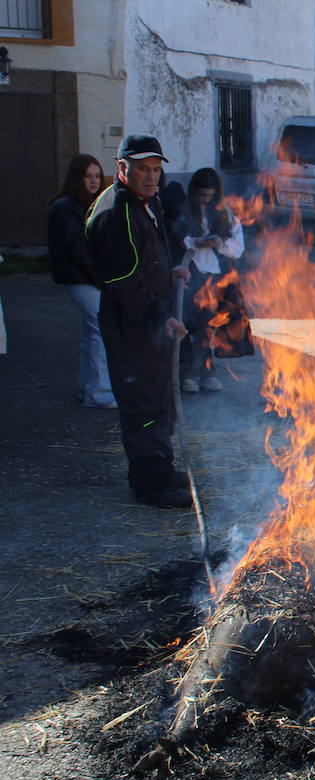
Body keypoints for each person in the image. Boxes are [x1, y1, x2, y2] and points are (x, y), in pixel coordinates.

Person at [85, 134, 192, 508]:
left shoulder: (147, 203)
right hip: (131, 326)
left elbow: (153, 253)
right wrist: (158, 318)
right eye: (142, 169)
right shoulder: (116, 212)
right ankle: (150, 484)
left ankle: (161, 466)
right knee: (143, 402)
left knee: (160, 395)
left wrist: (173, 266)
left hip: (150, 323)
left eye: (155, 169)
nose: (150, 176)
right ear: (122, 169)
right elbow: (122, 282)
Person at [48, 154, 115, 409]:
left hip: (87, 276)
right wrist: (101, 278)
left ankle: (89, 388)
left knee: (91, 333)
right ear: (77, 177)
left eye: (97, 176)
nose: (94, 181)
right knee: (100, 330)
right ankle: (99, 393)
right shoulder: (65, 207)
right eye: (88, 176)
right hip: (80, 277)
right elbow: (78, 249)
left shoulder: (88, 204)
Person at [176, 167, 246, 393]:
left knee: (208, 326)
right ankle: (189, 372)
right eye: (202, 196)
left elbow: (237, 248)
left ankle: (204, 371)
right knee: (188, 324)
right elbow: (174, 237)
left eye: (209, 196)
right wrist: (194, 243)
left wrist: (219, 243)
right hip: (191, 274)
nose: (205, 200)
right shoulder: (185, 211)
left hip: (216, 276)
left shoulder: (226, 214)